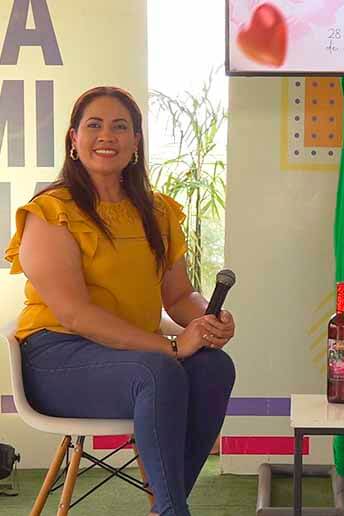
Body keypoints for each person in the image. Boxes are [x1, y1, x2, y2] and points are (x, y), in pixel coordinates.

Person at [5, 86, 236, 516]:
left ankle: (167, 506)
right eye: (94, 125)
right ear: (74, 139)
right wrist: (172, 346)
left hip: (133, 356)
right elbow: (75, 314)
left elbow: (178, 295)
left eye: (120, 126)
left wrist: (208, 319)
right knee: (158, 371)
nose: (106, 136)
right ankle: (172, 511)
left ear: (136, 141)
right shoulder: (50, 212)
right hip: (57, 356)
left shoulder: (159, 212)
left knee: (214, 366)